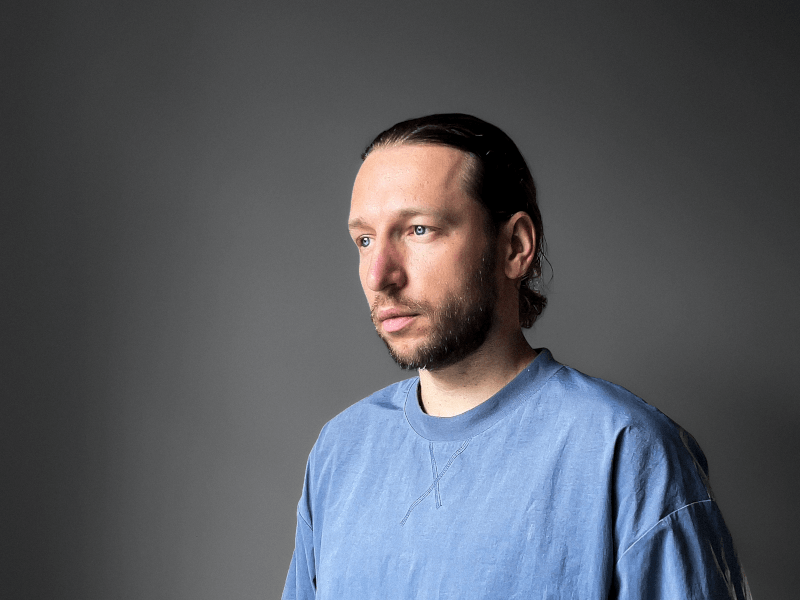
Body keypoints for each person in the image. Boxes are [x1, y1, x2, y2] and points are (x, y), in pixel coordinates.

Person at [282, 114, 751, 599]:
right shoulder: (340, 451)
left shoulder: (627, 452)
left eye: (419, 230)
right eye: (364, 240)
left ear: (515, 246)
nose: (380, 275)